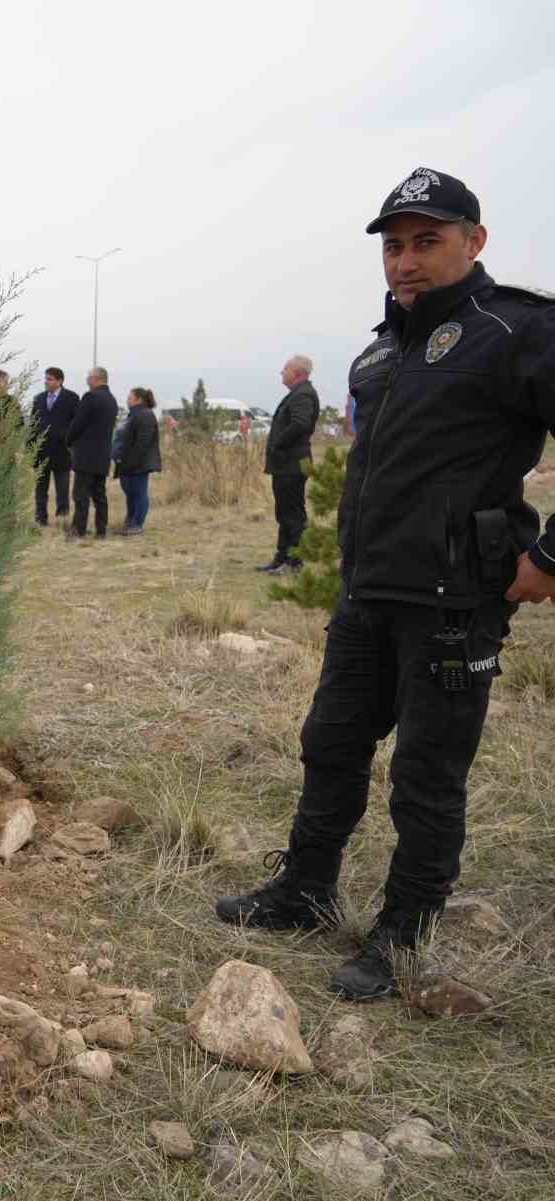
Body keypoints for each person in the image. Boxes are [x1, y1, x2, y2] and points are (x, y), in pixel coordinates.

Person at [215, 167, 555, 1001]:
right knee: (330, 743)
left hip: (455, 602)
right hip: (368, 594)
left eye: (427, 242)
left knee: (426, 776)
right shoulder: (380, 347)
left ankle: (401, 934)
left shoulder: (514, 331)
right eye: (394, 246)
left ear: (474, 242)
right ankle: (303, 889)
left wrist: (551, 559)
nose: (406, 261)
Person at [257, 354, 320, 573]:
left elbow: (300, 424)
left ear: (297, 373)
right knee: (284, 513)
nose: (281, 372)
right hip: (287, 464)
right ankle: (281, 557)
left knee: (292, 515)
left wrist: (278, 444)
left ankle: (294, 562)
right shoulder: (297, 394)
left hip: (292, 463)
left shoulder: (303, 394)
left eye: (285, 368)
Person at [65, 367, 117, 541]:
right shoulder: (112, 399)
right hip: (103, 455)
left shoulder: (90, 397)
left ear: (96, 378)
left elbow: (78, 423)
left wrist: (68, 440)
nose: (87, 380)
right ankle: (101, 531)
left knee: (81, 495)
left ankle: (78, 530)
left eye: (88, 377)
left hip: (86, 455)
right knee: (99, 495)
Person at [29, 367, 79, 526]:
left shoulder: (71, 398)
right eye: (46, 379)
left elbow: (76, 424)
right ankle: (40, 519)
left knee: (62, 490)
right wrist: (31, 447)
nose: (46, 382)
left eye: (50, 379)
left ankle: (62, 520)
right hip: (41, 451)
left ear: (60, 381)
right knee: (40, 490)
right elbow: (33, 424)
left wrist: (71, 444)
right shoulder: (38, 398)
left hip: (62, 452)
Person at [113, 387, 162, 535]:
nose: (127, 400)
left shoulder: (145, 415)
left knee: (139, 493)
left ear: (139, 399)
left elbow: (142, 443)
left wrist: (130, 461)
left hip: (137, 464)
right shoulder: (132, 415)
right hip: (125, 463)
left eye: (130, 397)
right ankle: (130, 521)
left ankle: (136, 524)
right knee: (131, 493)